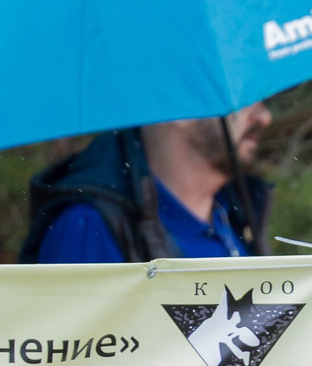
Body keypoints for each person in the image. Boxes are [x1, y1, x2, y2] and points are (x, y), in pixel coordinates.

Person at [21, 104, 272, 262]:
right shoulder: (90, 224)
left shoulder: (235, 211)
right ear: (182, 105)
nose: (265, 117)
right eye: (242, 102)